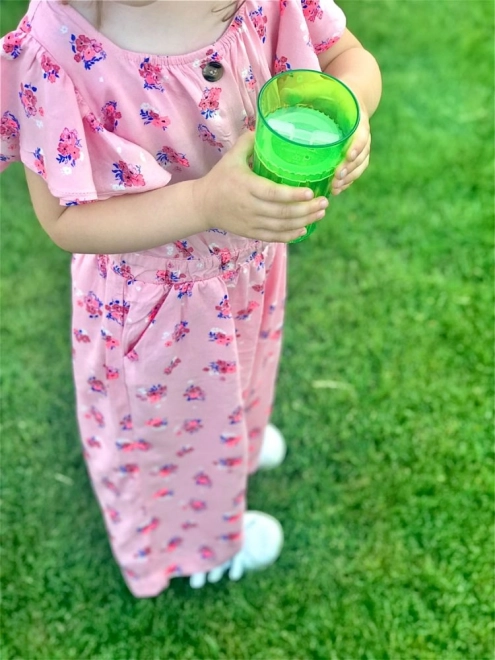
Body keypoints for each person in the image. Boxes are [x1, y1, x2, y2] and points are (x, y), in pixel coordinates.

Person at [0, 0, 381, 597]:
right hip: (155, 307)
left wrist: (352, 115)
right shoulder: (55, 51)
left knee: (244, 373)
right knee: (169, 436)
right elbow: (64, 220)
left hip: (245, 270)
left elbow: (346, 58)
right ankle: (196, 549)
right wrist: (204, 203)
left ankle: (239, 444)